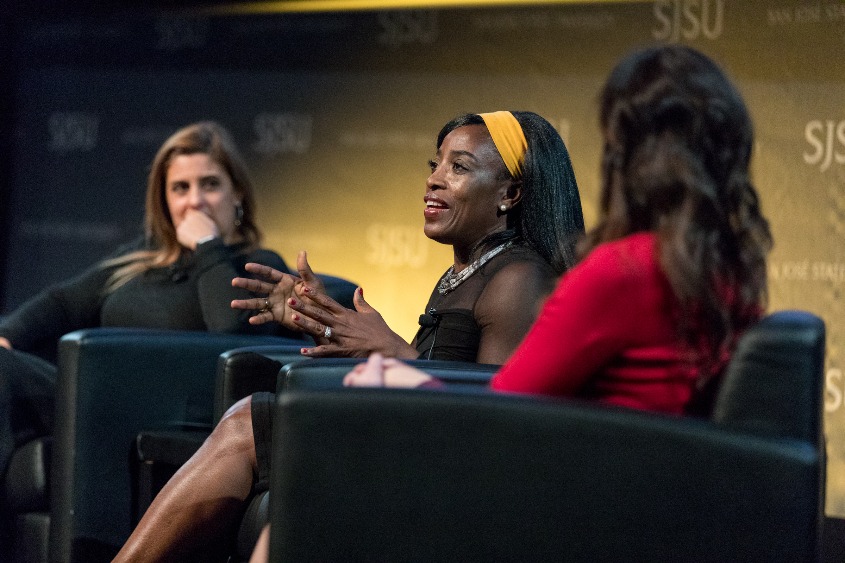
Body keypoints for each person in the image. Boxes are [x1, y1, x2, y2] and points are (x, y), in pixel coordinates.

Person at [113, 110, 585, 562]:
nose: (434, 179)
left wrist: (390, 349)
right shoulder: (467, 274)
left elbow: (494, 427)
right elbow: (442, 375)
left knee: (249, 422)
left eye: (458, 167)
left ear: (511, 194)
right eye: (435, 164)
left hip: (451, 473)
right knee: (258, 425)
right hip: (416, 444)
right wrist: (323, 321)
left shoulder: (518, 278)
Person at [347, 44, 772, 416]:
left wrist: (406, 378)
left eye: (458, 166)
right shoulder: (730, 273)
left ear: (624, 157)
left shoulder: (620, 271)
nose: (435, 179)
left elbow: (502, 418)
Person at [0, 121, 292, 552]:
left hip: (165, 406)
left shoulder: (255, 264)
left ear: (238, 196)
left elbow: (232, 334)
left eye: (209, 184)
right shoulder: (136, 262)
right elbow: (60, 304)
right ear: (164, 200)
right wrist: (7, 336)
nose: (195, 201)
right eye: (180, 188)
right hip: (86, 395)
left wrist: (210, 247)